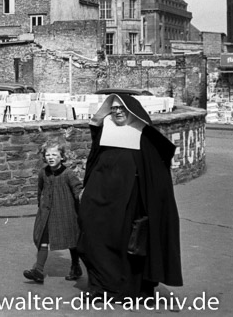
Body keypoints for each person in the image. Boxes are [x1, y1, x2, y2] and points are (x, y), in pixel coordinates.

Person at [77, 93, 183, 301]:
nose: (117, 111)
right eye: (114, 108)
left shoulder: (143, 136)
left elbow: (156, 175)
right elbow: (93, 162)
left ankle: (132, 290)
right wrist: (86, 189)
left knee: (129, 245)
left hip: (130, 202)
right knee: (92, 237)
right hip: (100, 200)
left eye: (122, 108)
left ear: (132, 111)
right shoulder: (104, 131)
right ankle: (101, 287)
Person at [23, 139, 83, 284]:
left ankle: (75, 266)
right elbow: (40, 191)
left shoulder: (68, 174)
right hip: (46, 212)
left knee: (71, 240)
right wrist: (41, 207)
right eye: (48, 155)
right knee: (43, 240)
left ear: (62, 156)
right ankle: (38, 270)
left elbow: (78, 190)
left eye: (54, 154)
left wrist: (82, 199)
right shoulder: (43, 173)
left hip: (66, 212)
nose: (50, 157)